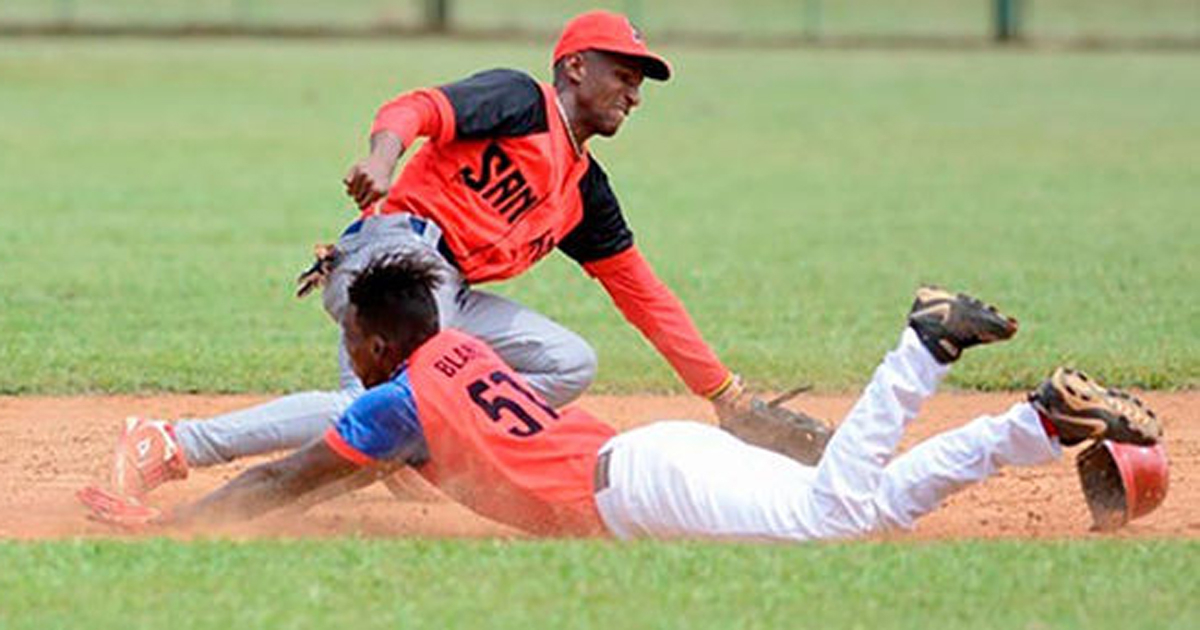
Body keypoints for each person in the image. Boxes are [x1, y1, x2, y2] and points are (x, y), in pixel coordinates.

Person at [111, 10, 792, 498]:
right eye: (624, 74)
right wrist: (383, 156)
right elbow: (418, 107)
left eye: (641, 81)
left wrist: (726, 394)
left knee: (567, 361)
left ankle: (409, 444)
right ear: (576, 66)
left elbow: (644, 296)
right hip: (395, 256)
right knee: (369, 408)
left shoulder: (585, 190)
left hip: (453, 293)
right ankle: (171, 441)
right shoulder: (521, 101)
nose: (635, 94)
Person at [82, 254, 1163, 540]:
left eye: (351, 343)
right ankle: (1031, 424)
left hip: (641, 493)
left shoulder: (391, 399)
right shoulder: (462, 357)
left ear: (371, 341)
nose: (349, 360)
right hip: (647, 464)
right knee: (870, 510)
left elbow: (287, 477)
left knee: (837, 516)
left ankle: (921, 349)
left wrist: (176, 530)